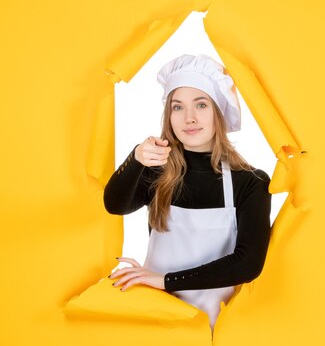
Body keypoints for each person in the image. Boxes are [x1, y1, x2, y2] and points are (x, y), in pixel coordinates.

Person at [103, 54, 272, 328]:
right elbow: (115, 205)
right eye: (177, 107)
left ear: (218, 112)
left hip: (214, 328)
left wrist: (165, 280)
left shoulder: (250, 182)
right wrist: (135, 158)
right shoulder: (156, 171)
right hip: (156, 319)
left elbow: (248, 264)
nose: (189, 118)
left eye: (201, 104)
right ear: (169, 116)